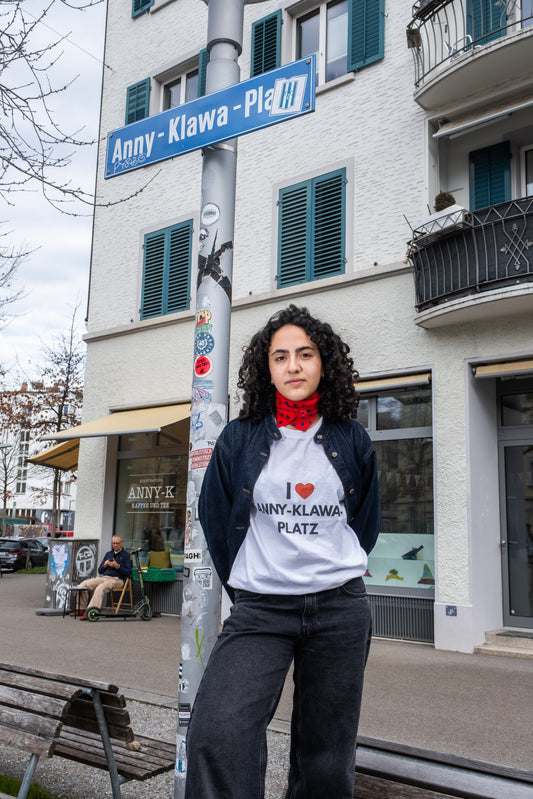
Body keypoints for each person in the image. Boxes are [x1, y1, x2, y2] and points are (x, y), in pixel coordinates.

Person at [185, 305, 381, 799]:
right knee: (218, 732)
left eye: (305, 354)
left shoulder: (351, 438)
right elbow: (216, 520)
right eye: (280, 357)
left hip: (340, 609)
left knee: (326, 756)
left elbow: (364, 525)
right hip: (261, 610)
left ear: (324, 364)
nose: (293, 366)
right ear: (266, 369)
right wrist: (252, 584)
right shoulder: (239, 438)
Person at [73, 535, 132, 620]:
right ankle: (81, 609)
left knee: (100, 588)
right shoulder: (109, 554)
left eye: (117, 543)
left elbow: (128, 572)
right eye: (113, 543)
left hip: (117, 580)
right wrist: (105, 565)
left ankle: (92, 611)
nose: (115, 545)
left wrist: (117, 566)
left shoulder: (126, 555)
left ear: (122, 543)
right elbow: (100, 570)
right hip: (105, 577)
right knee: (84, 584)